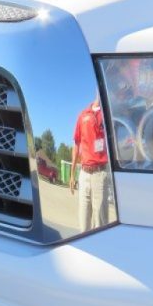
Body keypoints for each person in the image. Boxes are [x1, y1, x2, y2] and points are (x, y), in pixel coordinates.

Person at [69, 98, 110, 231]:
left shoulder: (109, 113)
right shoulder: (83, 115)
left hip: (100, 173)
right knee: (84, 221)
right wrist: (72, 175)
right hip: (84, 174)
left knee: (100, 223)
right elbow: (76, 145)